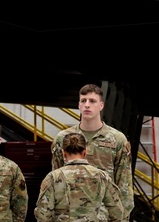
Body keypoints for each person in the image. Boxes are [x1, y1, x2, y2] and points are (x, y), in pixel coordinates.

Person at [51, 84, 133, 221]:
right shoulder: (62, 138)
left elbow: (124, 185)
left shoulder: (117, 140)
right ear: (78, 105)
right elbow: (55, 179)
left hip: (103, 215)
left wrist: (122, 217)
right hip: (69, 215)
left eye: (92, 101)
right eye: (83, 101)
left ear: (101, 106)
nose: (87, 105)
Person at [35, 133, 124, 222]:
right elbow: (117, 211)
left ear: (63, 153)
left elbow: (43, 213)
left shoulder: (53, 178)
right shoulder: (102, 176)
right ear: (85, 152)